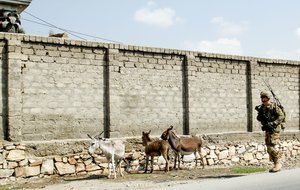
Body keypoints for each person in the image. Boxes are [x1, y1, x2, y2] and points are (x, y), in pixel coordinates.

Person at [255, 91, 285, 172]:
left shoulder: (274, 106)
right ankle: (276, 164)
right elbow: (259, 118)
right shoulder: (262, 108)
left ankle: (278, 163)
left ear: (268, 98)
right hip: (268, 129)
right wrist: (260, 115)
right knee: (268, 146)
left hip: (274, 129)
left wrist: (273, 123)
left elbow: (281, 116)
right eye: (262, 98)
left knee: (270, 146)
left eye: (265, 98)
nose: (263, 100)